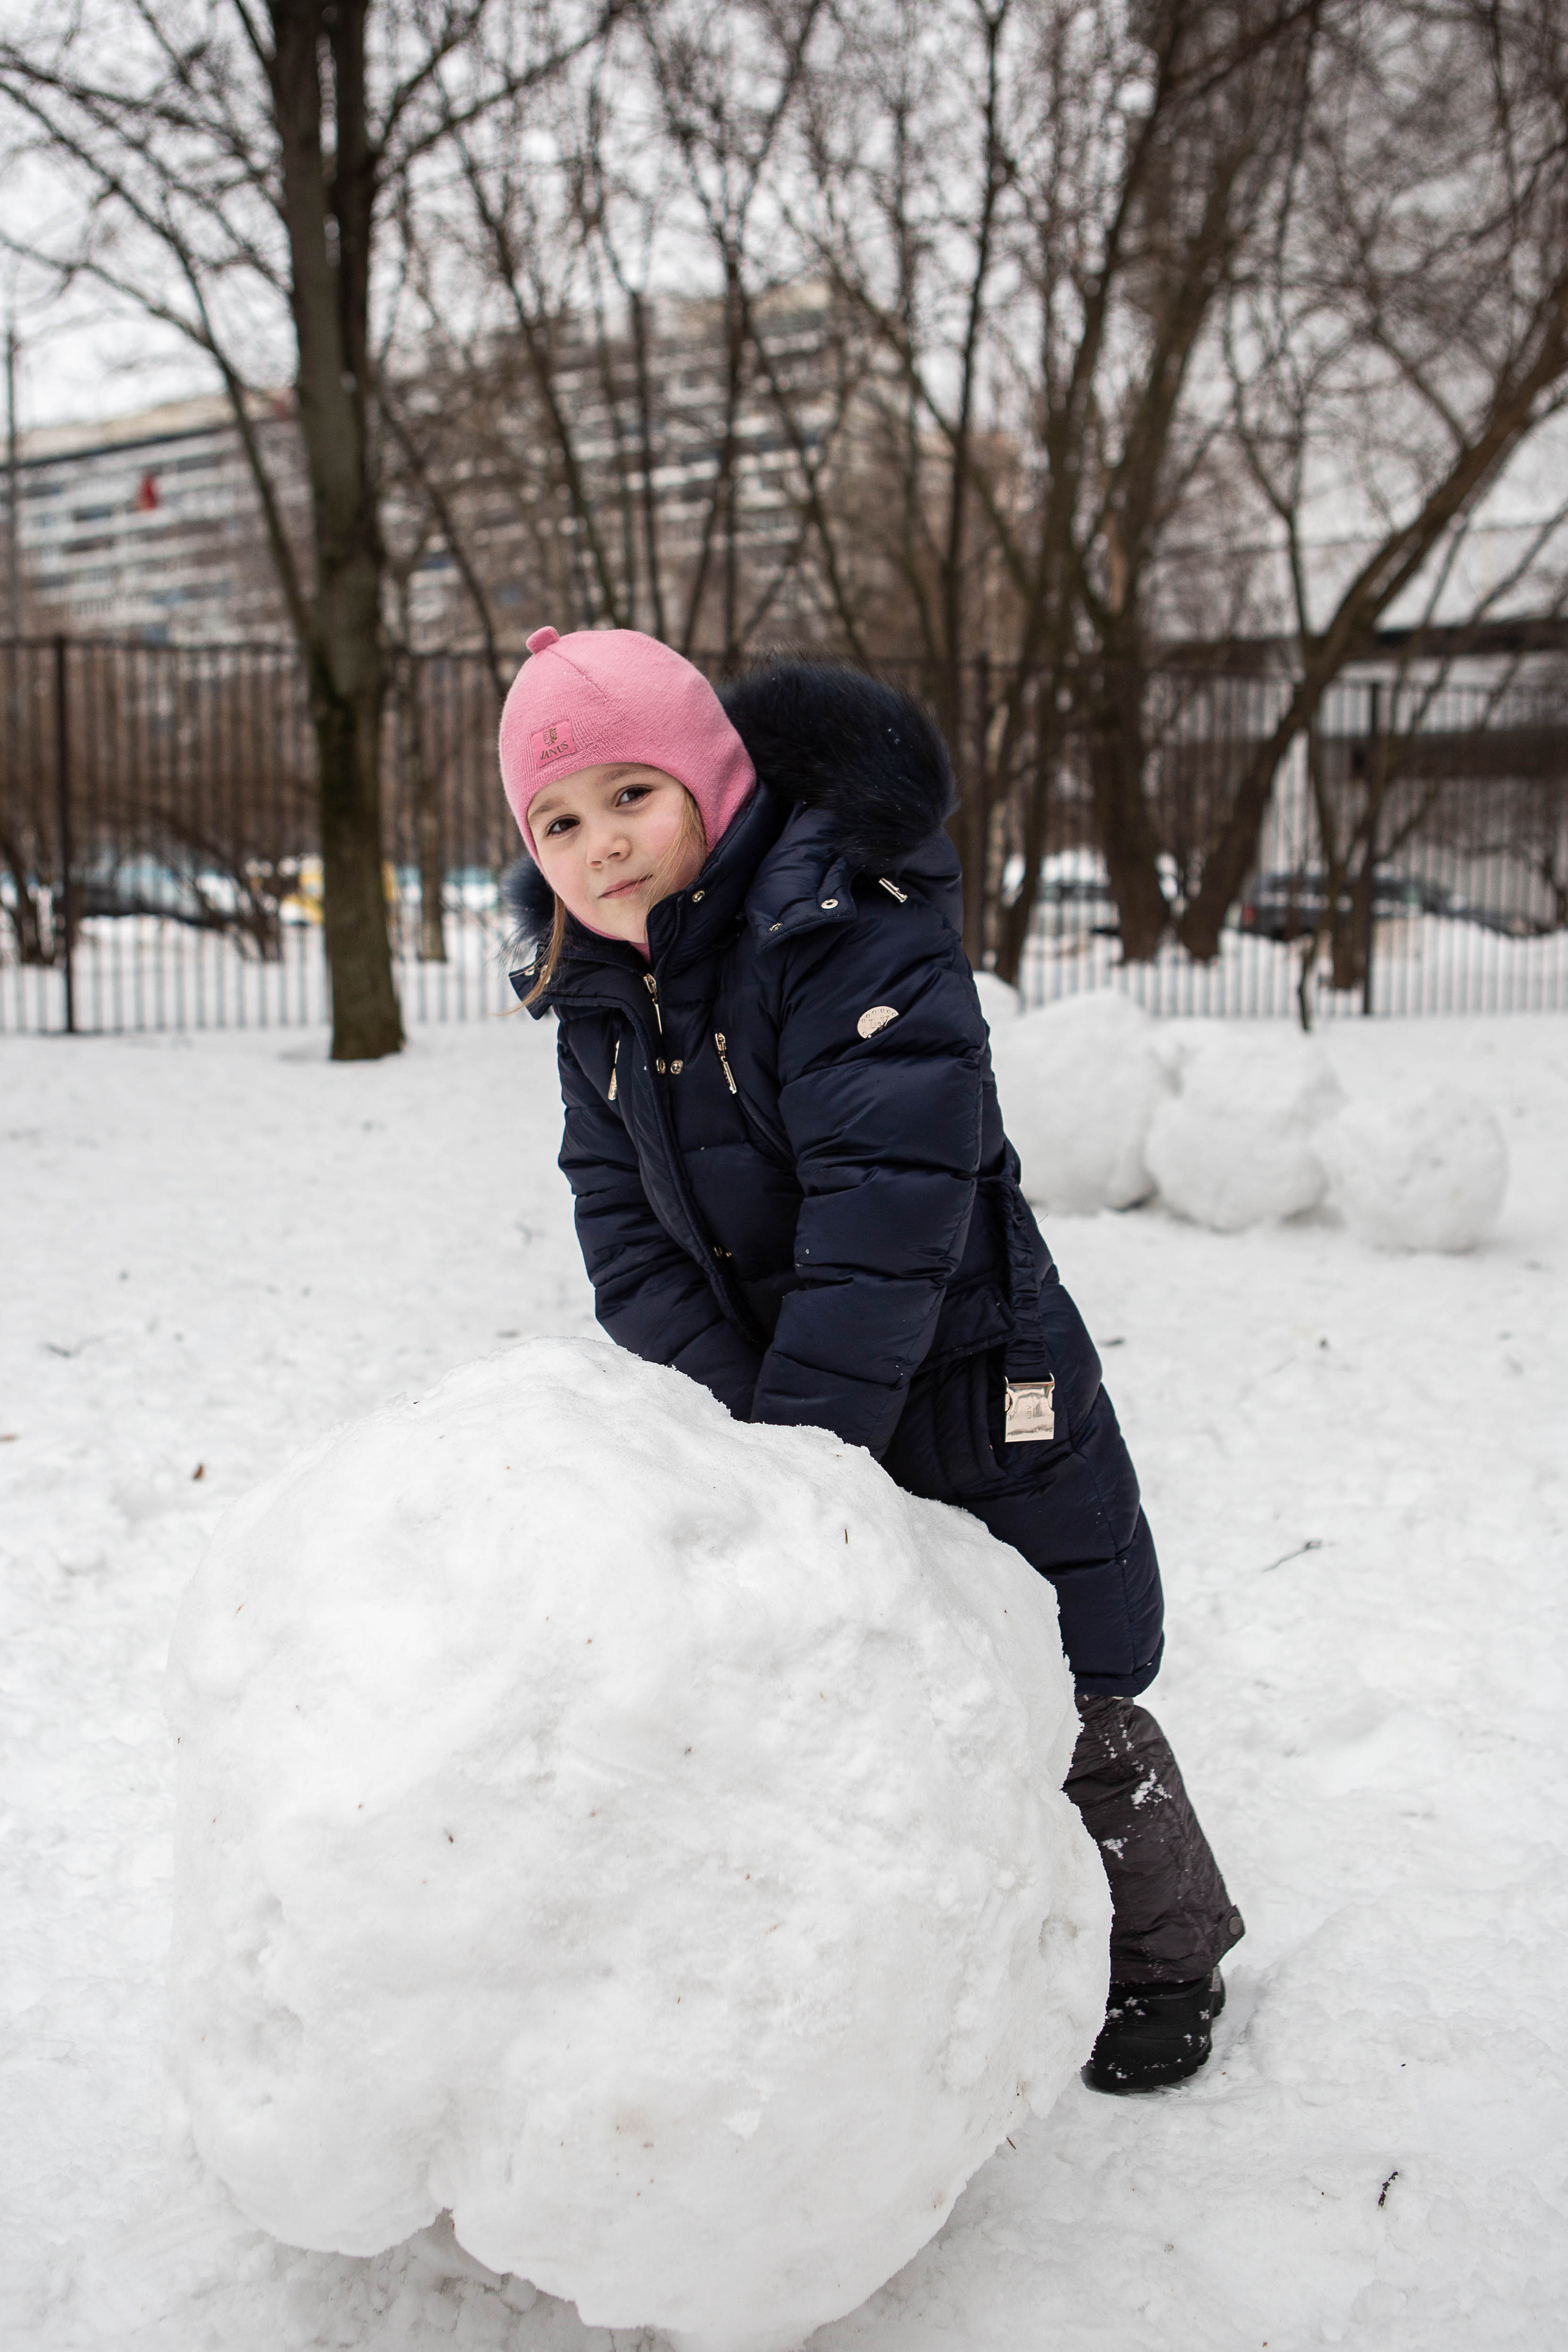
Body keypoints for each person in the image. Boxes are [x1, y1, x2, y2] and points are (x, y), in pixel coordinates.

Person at [499, 625, 1243, 2091]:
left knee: (1060, 1679)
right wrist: (744, 1436)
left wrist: (799, 1448)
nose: (602, 845)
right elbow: (621, 1233)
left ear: (712, 777)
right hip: (797, 1410)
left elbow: (888, 1207)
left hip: (972, 1381)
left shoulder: (844, 918)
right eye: (559, 822)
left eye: (631, 794)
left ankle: (1165, 1951)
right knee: (877, 1682)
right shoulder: (597, 997)